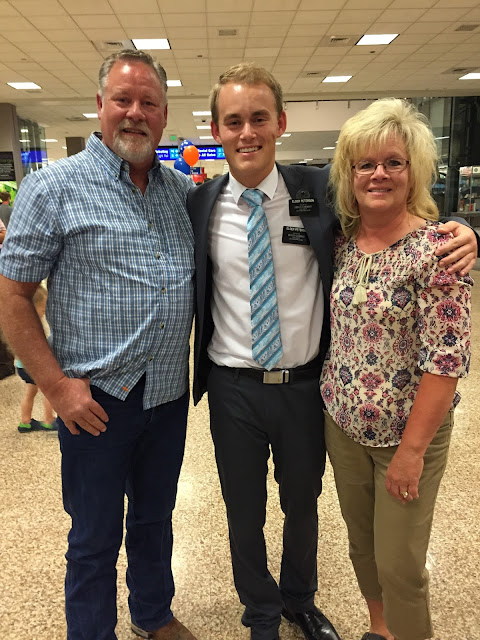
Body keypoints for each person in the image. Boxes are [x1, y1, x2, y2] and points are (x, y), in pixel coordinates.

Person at [186, 63, 477, 640]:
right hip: (232, 387)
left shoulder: (319, 190)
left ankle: (299, 601)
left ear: (281, 123)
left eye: (259, 118)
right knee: (243, 511)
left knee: (304, 504)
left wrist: (466, 228)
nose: (247, 132)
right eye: (234, 121)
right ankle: (260, 613)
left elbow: (393, 207)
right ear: (216, 130)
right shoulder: (198, 204)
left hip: (304, 387)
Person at [0, 50, 196, 640]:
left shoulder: (181, 192)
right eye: (122, 100)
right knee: (93, 535)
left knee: (156, 520)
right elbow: (13, 297)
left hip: (167, 396)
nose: (135, 113)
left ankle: (153, 614)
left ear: (164, 115)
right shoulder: (52, 188)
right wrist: (56, 387)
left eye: (148, 103)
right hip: (94, 402)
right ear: (100, 106)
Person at [320, 98, 473, 640]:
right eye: (365, 164)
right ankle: (379, 628)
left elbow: (446, 361)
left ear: (414, 171)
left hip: (407, 437)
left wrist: (410, 453)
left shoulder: (439, 250)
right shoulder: (340, 243)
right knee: (361, 546)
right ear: (349, 175)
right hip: (343, 425)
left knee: (400, 562)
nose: (378, 174)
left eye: (393, 162)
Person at [16, 283, 57, 433]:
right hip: (32, 367)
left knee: (30, 393)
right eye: (42, 307)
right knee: (49, 392)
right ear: (33, 307)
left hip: (21, 366)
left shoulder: (21, 323)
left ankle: (25, 422)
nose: (44, 311)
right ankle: (49, 420)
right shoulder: (32, 326)